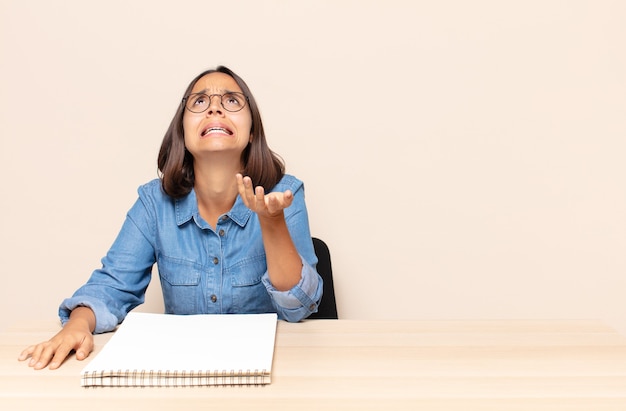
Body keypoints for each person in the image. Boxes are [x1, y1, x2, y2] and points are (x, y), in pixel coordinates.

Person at [18, 66, 323, 370]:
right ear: (183, 131)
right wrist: (77, 324)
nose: (215, 107)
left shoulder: (284, 194)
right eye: (200, 102)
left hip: (275, 375)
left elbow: (299, 308)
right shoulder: (154, 203)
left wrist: (272, 223)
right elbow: (112, 287)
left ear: (252, 130)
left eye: (231, 101)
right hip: (185, 375)